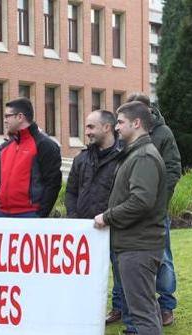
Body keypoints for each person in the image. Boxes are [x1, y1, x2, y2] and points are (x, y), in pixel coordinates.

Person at [94, 101, 166, 335]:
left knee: (144, 312)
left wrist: (108, 217)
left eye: (121, 122)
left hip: (139, 247)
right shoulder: (136, 154)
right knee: (140, 311)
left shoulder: (144, 157)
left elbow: (141, 201)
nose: (117, 126)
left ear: (136, 123)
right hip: (133, 245)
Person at [123, 92, 182, 327]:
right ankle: (125, 306)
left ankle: (166, 305)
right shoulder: (126, 134)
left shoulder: (163, 133)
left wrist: (158, 203)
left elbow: (172, 169)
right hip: (130, 210)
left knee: (163, 258)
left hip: (155, 212)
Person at [64, 110, 123, 322]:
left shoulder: (123, 157)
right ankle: (87, 317)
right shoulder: (82, 158)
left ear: (107, 127)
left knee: (121, 275)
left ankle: (123, 314)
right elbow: (71, 191)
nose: (86, 132)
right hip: (87, 230)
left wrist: (110, 217)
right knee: (85, 278)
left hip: (115, 227)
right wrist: (74, 216)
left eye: (91, 127)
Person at [0, 97, 62, 218]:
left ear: (20, 117)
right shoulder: (6, 147)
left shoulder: (45, 145)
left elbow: (53, 183)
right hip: (1, 214)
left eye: (7, 116)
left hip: (29, 215)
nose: (5, 120)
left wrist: (40, 215)